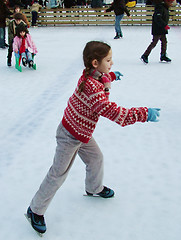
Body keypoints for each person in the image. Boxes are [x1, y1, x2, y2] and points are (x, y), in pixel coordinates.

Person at [26, 40, 160, 235]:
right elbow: (114, 112)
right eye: (108, 60)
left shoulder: (91, 75)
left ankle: (93, 188)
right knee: (58, 174)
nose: (112, 63)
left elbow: (101, 80)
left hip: (82, 133)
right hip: (70, 135)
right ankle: (35, 210)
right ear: (95, 63)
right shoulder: (92, 89)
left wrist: (111, 76)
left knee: (96, 158)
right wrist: (143, 114)